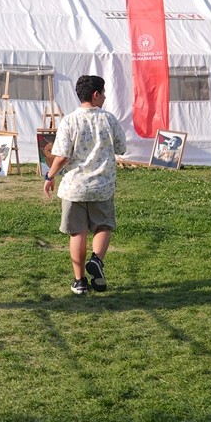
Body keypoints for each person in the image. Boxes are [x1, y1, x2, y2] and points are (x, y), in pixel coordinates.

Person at [43, 74, 127, 295]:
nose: (106, 97)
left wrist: (50, 176)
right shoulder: (108, 119)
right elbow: (121, 147)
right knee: (103, 226)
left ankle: (79, 281)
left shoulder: (69, 120)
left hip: (74, 187)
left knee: (77, 233)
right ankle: (97, 260)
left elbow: (60, 155)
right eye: (104, 93)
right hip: (102, 185)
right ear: (96, 94)